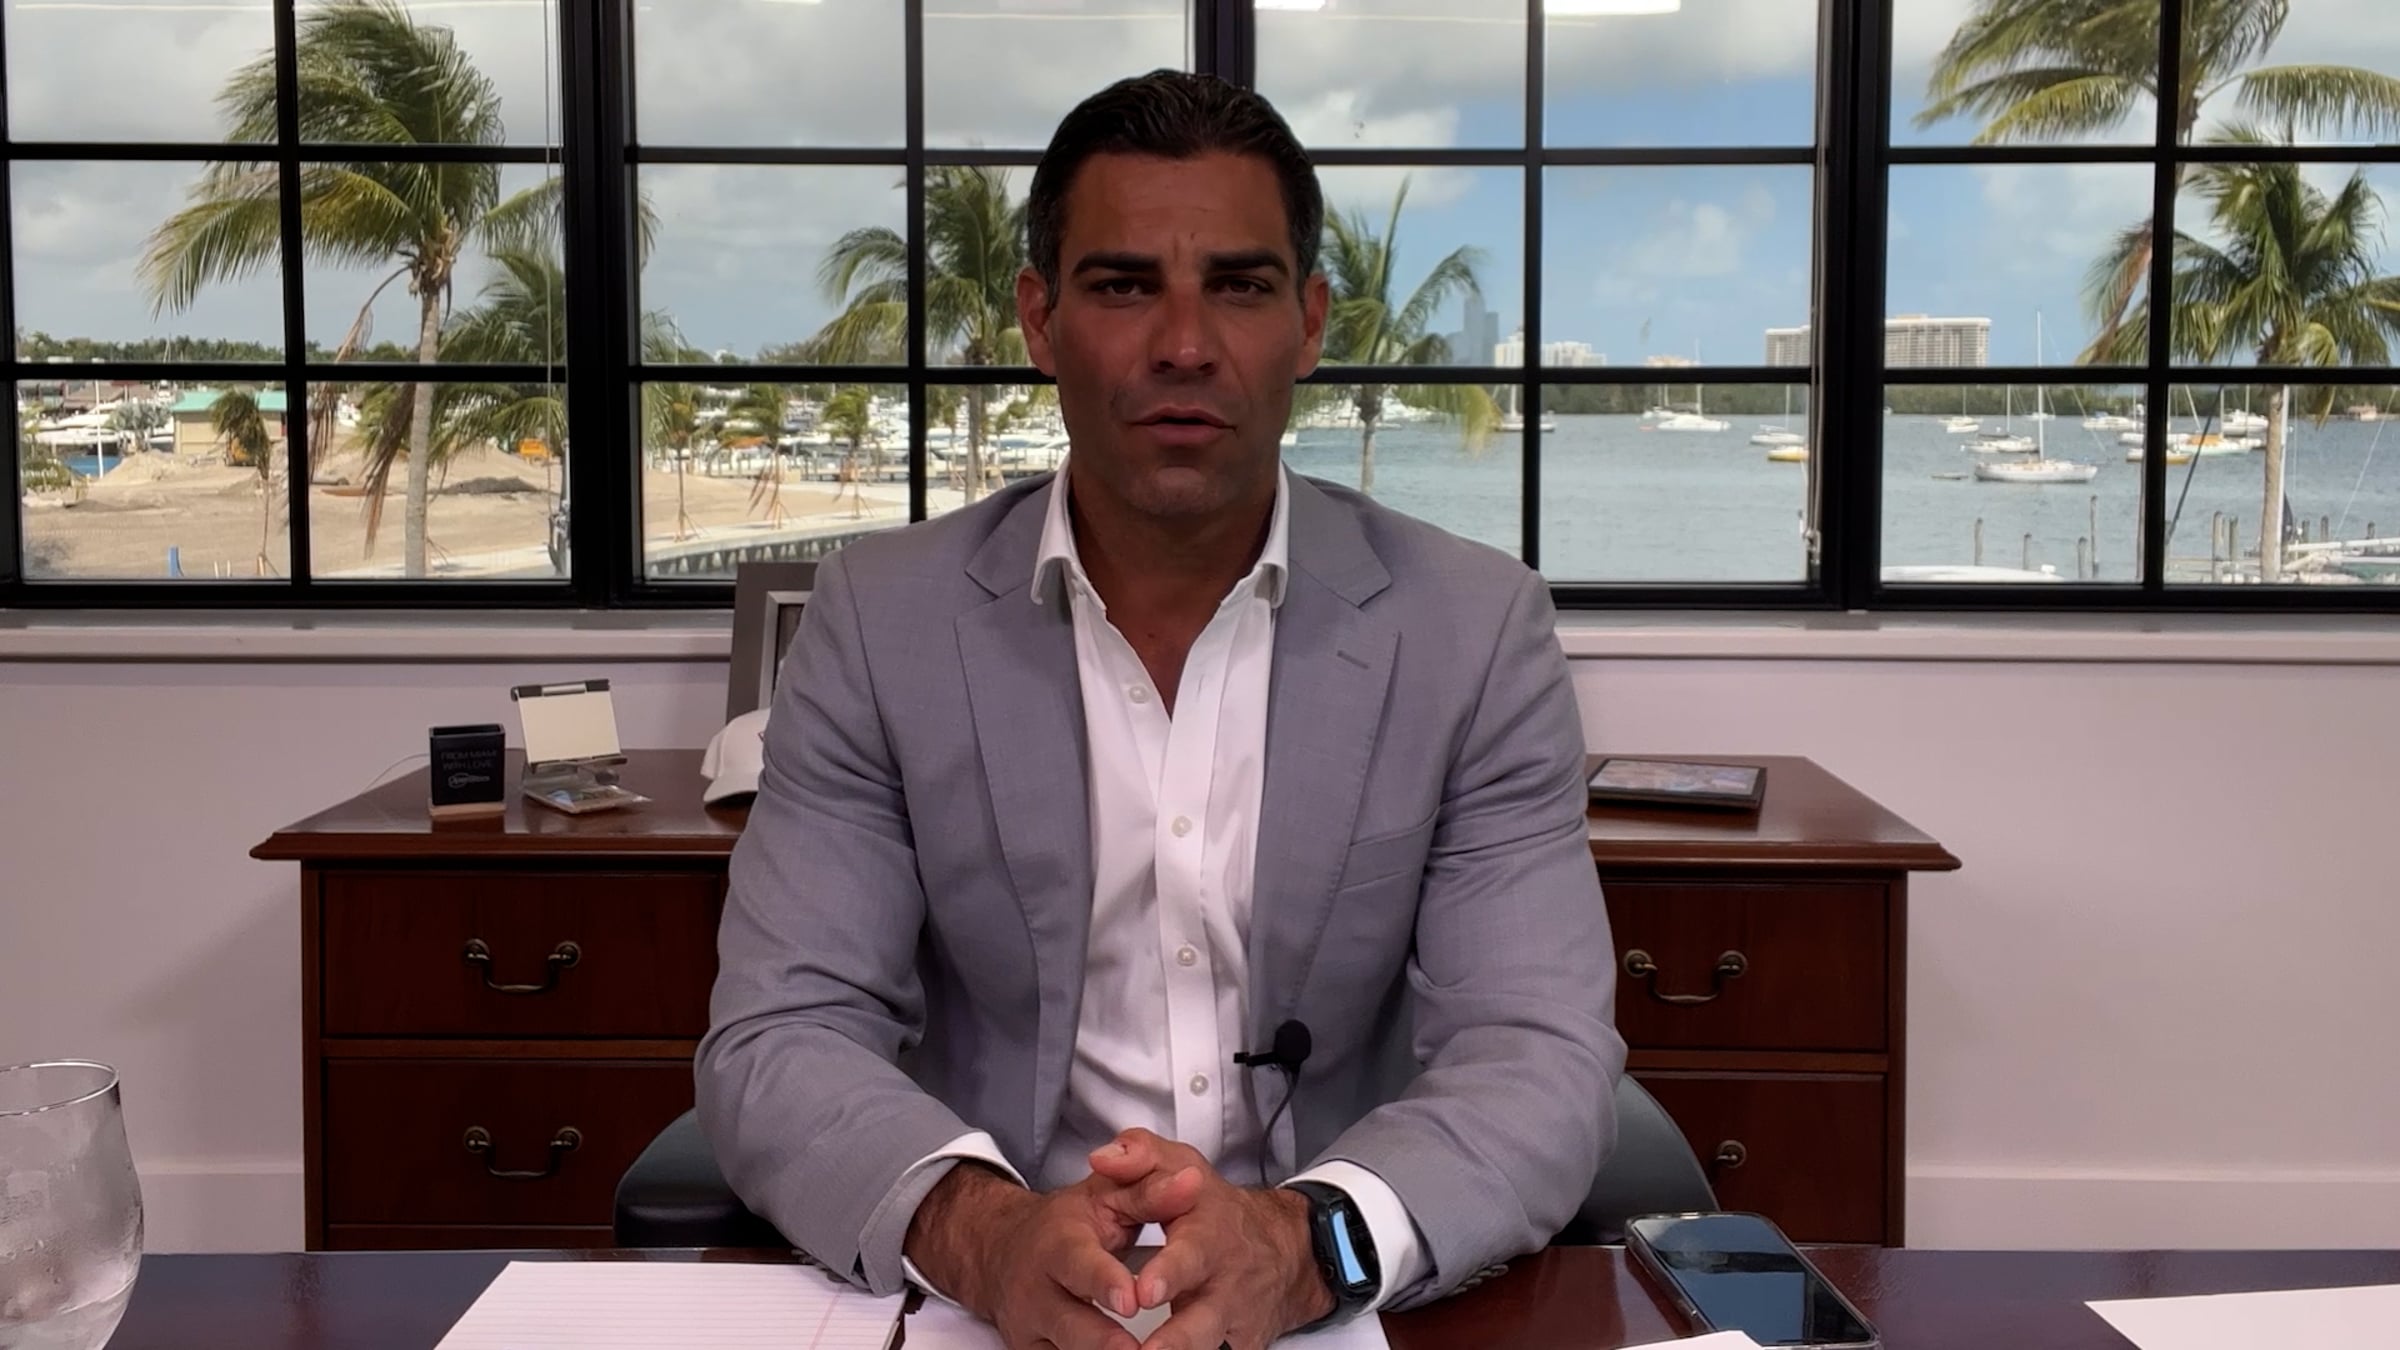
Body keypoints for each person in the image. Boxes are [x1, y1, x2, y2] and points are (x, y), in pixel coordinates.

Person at [697, 69, 1624, 1350]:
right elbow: (783, 1032)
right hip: (996, 1300)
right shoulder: (878, 622)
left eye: (1238, 287)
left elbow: (1538, 1051)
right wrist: (983, 1233)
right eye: (1125, 286)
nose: (1185, 344)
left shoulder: (1473, 631)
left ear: (1308, 324)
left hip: (1334, 1301)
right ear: (1040, 320)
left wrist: (1306, 1245)